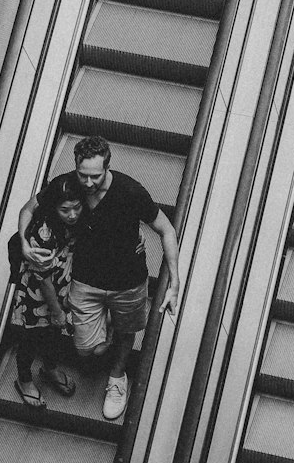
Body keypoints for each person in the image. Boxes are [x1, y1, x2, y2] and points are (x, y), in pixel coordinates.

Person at [19, 135, 180, 421]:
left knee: (127, 331)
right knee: (86, 349)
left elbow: (166, 230)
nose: (89, 183)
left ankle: (117, 378)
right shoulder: (70, 186)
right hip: (86, 281)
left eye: (96, 176)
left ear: (108, 167)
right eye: (84, 175)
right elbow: (29, 208)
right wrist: (23, 242)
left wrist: (174, 284)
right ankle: (106, 323)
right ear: (76, 167)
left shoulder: (130, 191)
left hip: (128, 281)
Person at [9, 173, 83, 409]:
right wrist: (59, 313)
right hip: (37, 293)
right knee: (30, 337)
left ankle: (49, 367)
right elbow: (44, 281)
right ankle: (24, 379)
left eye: (76, 208)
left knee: (53, 335)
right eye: (65, 210)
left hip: (61, 283)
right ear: (54, 208)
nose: (72, 215)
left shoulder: (77, 220)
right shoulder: (44, 234)